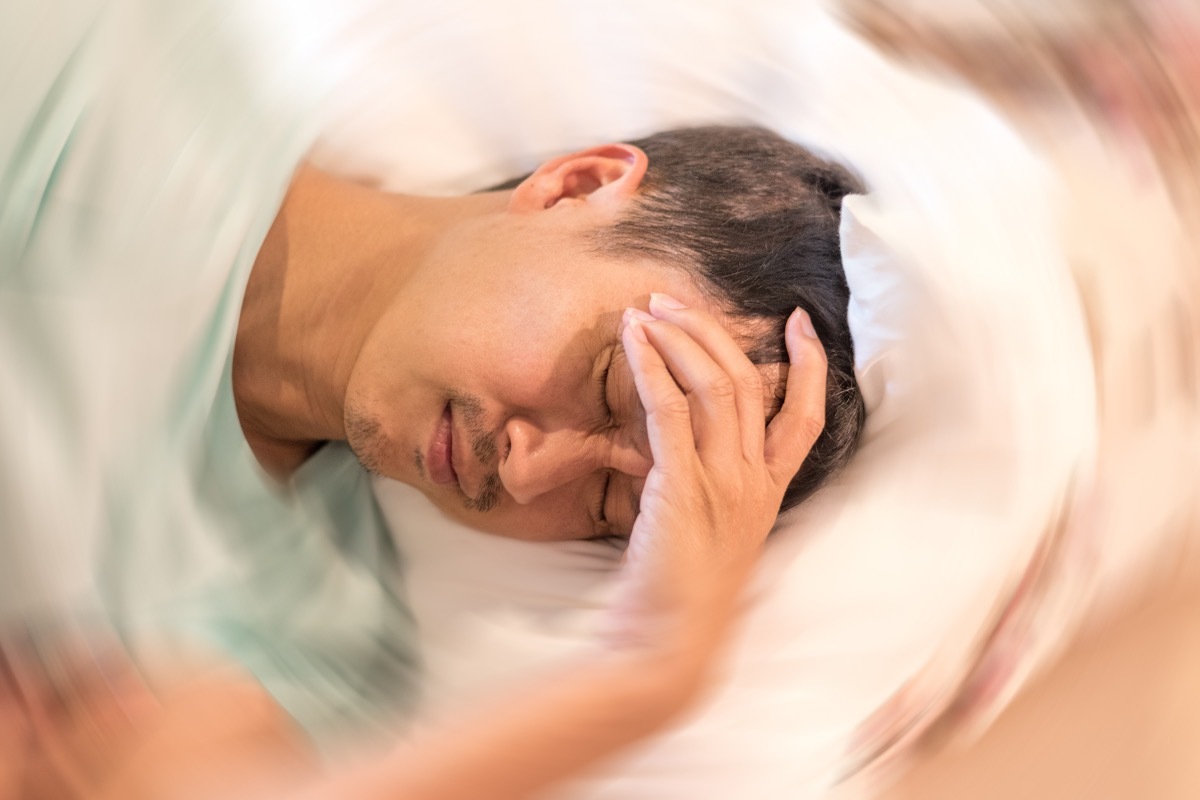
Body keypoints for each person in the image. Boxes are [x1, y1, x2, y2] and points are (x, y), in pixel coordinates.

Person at [0, 1, 864, 797]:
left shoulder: (312, 638)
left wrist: (650, 673)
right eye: (613, 388)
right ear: (579, 185)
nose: (529, 471)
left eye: (607, 505)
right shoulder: (111, 71)